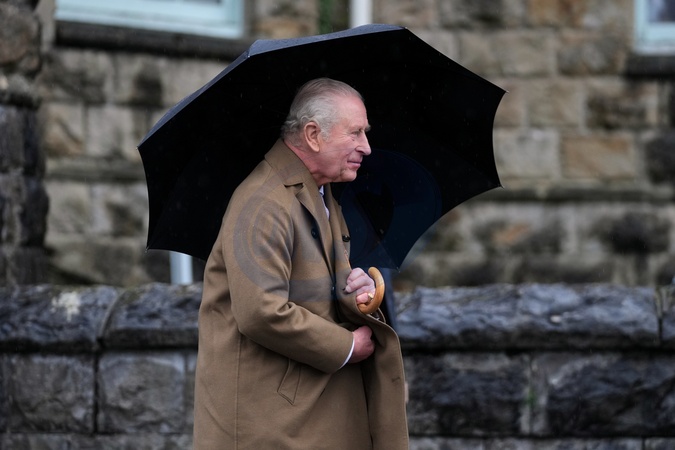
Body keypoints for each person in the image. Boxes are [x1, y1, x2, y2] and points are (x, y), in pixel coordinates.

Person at [193, 78, 409, 449]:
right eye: (355, 133)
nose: (366, 147)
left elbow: (314, 288)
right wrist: (346, 346)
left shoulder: (321, 194)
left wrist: (357, 291)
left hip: (307, 414)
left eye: (366, 133)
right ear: (312, 135)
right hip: (272, 424)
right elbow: (260, 311)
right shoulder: (263, 202)